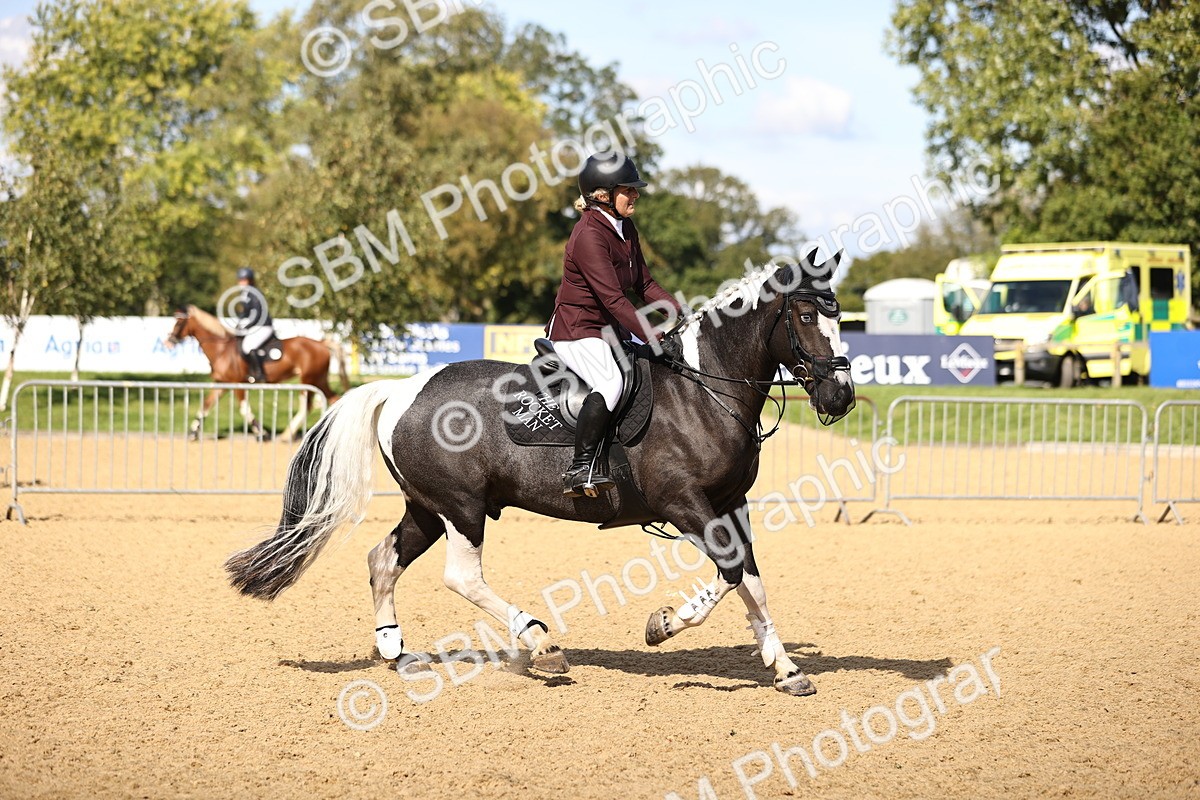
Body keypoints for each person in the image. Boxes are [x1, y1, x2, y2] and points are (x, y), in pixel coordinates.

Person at [546, 151, 683, 498]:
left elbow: (644, 285)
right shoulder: (588, 236)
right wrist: (652, 335)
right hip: (578, 331)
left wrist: (681, 313)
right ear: (603, 195)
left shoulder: (625, 228)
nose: (636, 194)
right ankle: (580, 468)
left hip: (610, 331)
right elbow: (614, 300)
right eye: (629, 189)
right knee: (610, 384)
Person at [234, 267, 275, 383]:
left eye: (244, 280)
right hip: (255, 326)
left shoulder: (255, 294)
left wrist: (247, 326)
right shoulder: (244, 294)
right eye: (240, 280)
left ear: (250, 280)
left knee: (248, 346)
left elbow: (258, 314)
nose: (242, 282)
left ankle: (259, 374)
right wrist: (239, 324)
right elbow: (244, 313)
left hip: (263, 326)